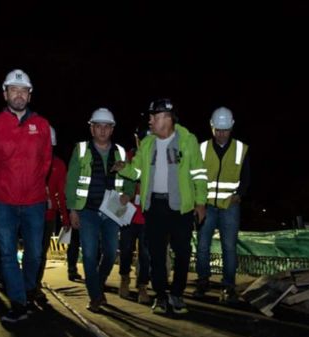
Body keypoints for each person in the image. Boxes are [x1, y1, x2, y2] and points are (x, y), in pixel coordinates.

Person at [114, 98, 207, 315]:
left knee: (183, 253)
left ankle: (177, 294)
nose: (150, 121)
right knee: (155, 254)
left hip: (180, 208)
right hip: (154, 207)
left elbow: (199, 173)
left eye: (153, 117)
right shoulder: (147, 144)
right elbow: (137, 171)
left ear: (166, 118)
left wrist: (200, 202)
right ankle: (161, 297)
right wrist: (124, 168)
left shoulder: (187, 140)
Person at [0, 69, 52, 322]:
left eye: (23, 90)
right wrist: (1, 183)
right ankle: (19, 302)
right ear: (5, 93)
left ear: (29, 95)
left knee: (34, 253)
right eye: (14, 90)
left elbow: (46, 161)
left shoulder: (41, 125)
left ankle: (29, 290)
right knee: (8, 253)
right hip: (4, 202)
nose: (19, 95)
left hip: (34, 201)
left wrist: (33, 182)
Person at [65, 108, 128, 312]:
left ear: (112, 129)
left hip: (112, 212)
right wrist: (72, 209)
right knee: (90, 255)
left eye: (106, 126)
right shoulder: (81, 150)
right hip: (88, 211)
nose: (102, 130)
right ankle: (95, 296)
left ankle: (98, 285)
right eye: (98, 126)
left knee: (110, 253)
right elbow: (71, 181)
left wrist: (127, 193)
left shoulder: (120, 151)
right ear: (91, 128)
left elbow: (129, 176)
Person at [194, 107, 249, 303]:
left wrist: (240, 194)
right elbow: (196, 176)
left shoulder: (241, 149)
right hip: (206, 205)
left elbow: (246, 176)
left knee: (229, 247)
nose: (221, 133)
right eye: (218, 129)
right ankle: (202, 281)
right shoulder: (201, 149)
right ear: (212, 127)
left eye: (224, 130)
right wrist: (198, 201)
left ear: (231, 127)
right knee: (202, 246)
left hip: (229, 206)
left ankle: (228, 286)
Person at [36, 126, 70, 302]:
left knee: (40, 252)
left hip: (48, 216)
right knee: (32, 251)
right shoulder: (29, 161)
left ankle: (34, 285)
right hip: (29, 214)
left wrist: (65, 216)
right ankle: (28, 284)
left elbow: (62, 193)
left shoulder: (58, 165)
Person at [118, 120, 151, 304]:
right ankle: (124, 279)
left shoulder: (156, 160)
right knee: (125, 250)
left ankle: (143, 287)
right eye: (141, 139)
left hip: (147, 216)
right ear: (136, 139)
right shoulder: (128, 157)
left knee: (145, 253)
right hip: (128, 214)